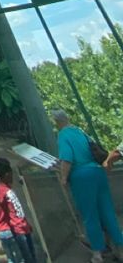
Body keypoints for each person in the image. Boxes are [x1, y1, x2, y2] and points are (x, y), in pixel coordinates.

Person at [52, 109, 123, 263]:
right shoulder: (79, 130)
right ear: (68, 118)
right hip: (98, 173)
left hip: (82, 177)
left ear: (56, 122)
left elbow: (67, 159)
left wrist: (64, 178)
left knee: (90, 215)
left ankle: (97, 253)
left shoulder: (63, 135)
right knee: (107, 212)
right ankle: (120, 247)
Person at [0, 158, 36, 262]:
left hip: (22, 228)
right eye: (11, 174)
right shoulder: (0, 190)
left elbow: (16, 209)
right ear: (7, 174)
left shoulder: (7, 189)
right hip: (16, 231)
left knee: (30, 258)